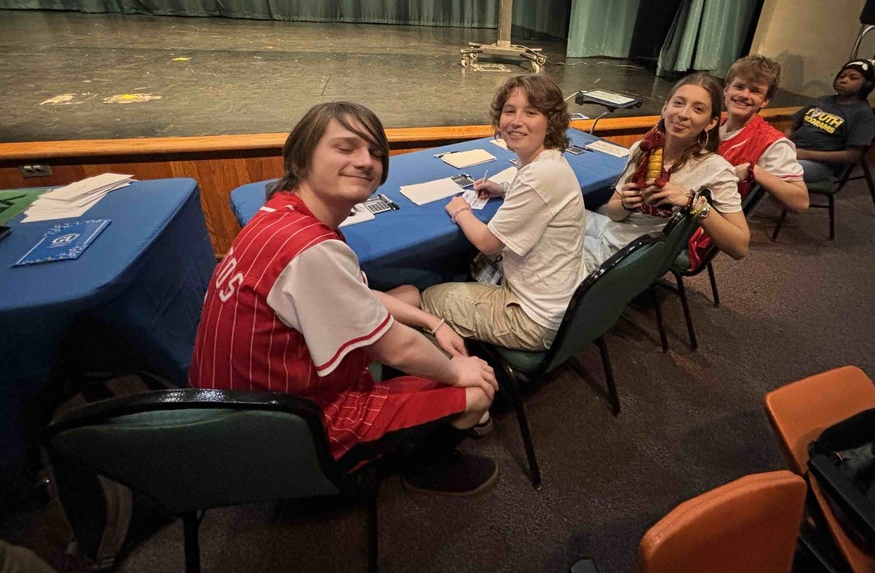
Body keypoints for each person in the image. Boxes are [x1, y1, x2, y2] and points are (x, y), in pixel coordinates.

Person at [189, 101, 500, 496]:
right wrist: (459, 372)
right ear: (302, 159)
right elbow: (397, 349)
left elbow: (354, 295)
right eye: (346, 147)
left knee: (408, 298)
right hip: (289, 431)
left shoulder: (277, 215)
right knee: (477, 389)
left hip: (236, 415)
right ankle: (424, 468)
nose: (366, 161)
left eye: (374, 151)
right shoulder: (310, 249)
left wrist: (432, 322)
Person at [421, 75, 586, 352]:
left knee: (428, 298)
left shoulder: (539, 175)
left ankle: (455, 374)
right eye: (510, 111)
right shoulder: (548, 163)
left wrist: (461, 210)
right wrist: (505, 189)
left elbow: (488, 243)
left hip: (533, 319)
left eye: (531, 112)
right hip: (560, 302)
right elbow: (538, 195)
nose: (516, 120)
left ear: (550, 123)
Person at [583, 72, 749, 272]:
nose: (683, 114)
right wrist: (625, 204)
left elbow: (740, 247)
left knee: (544, 245)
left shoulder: (716, 170)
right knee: (554, 215)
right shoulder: (641, 149)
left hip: (625, 253)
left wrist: (693, 202)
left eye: (698, 109)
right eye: (678, 103)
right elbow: (614, 213)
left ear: (711, 123)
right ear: (665, 108)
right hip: (612, 229)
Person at [685, 55, 811, 263]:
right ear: (726, 89)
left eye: (755, 91)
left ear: (765, 100)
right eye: (739, 86)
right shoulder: (713, 125)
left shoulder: (772, 143)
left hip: (701, 225)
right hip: (684, 203)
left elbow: (801, 201)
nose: (744, 95)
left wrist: (755, 171)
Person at [788, 59, 875, 184]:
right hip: (791, 151)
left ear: (867, 85)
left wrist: (806, 154)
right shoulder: (822, 100)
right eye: (841, 76)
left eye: (853, 78)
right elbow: (793, 125)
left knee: (773, 169)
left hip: (819, 164)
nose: (844, 80)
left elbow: (853, 155)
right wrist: (784, 143)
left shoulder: (863, 115)